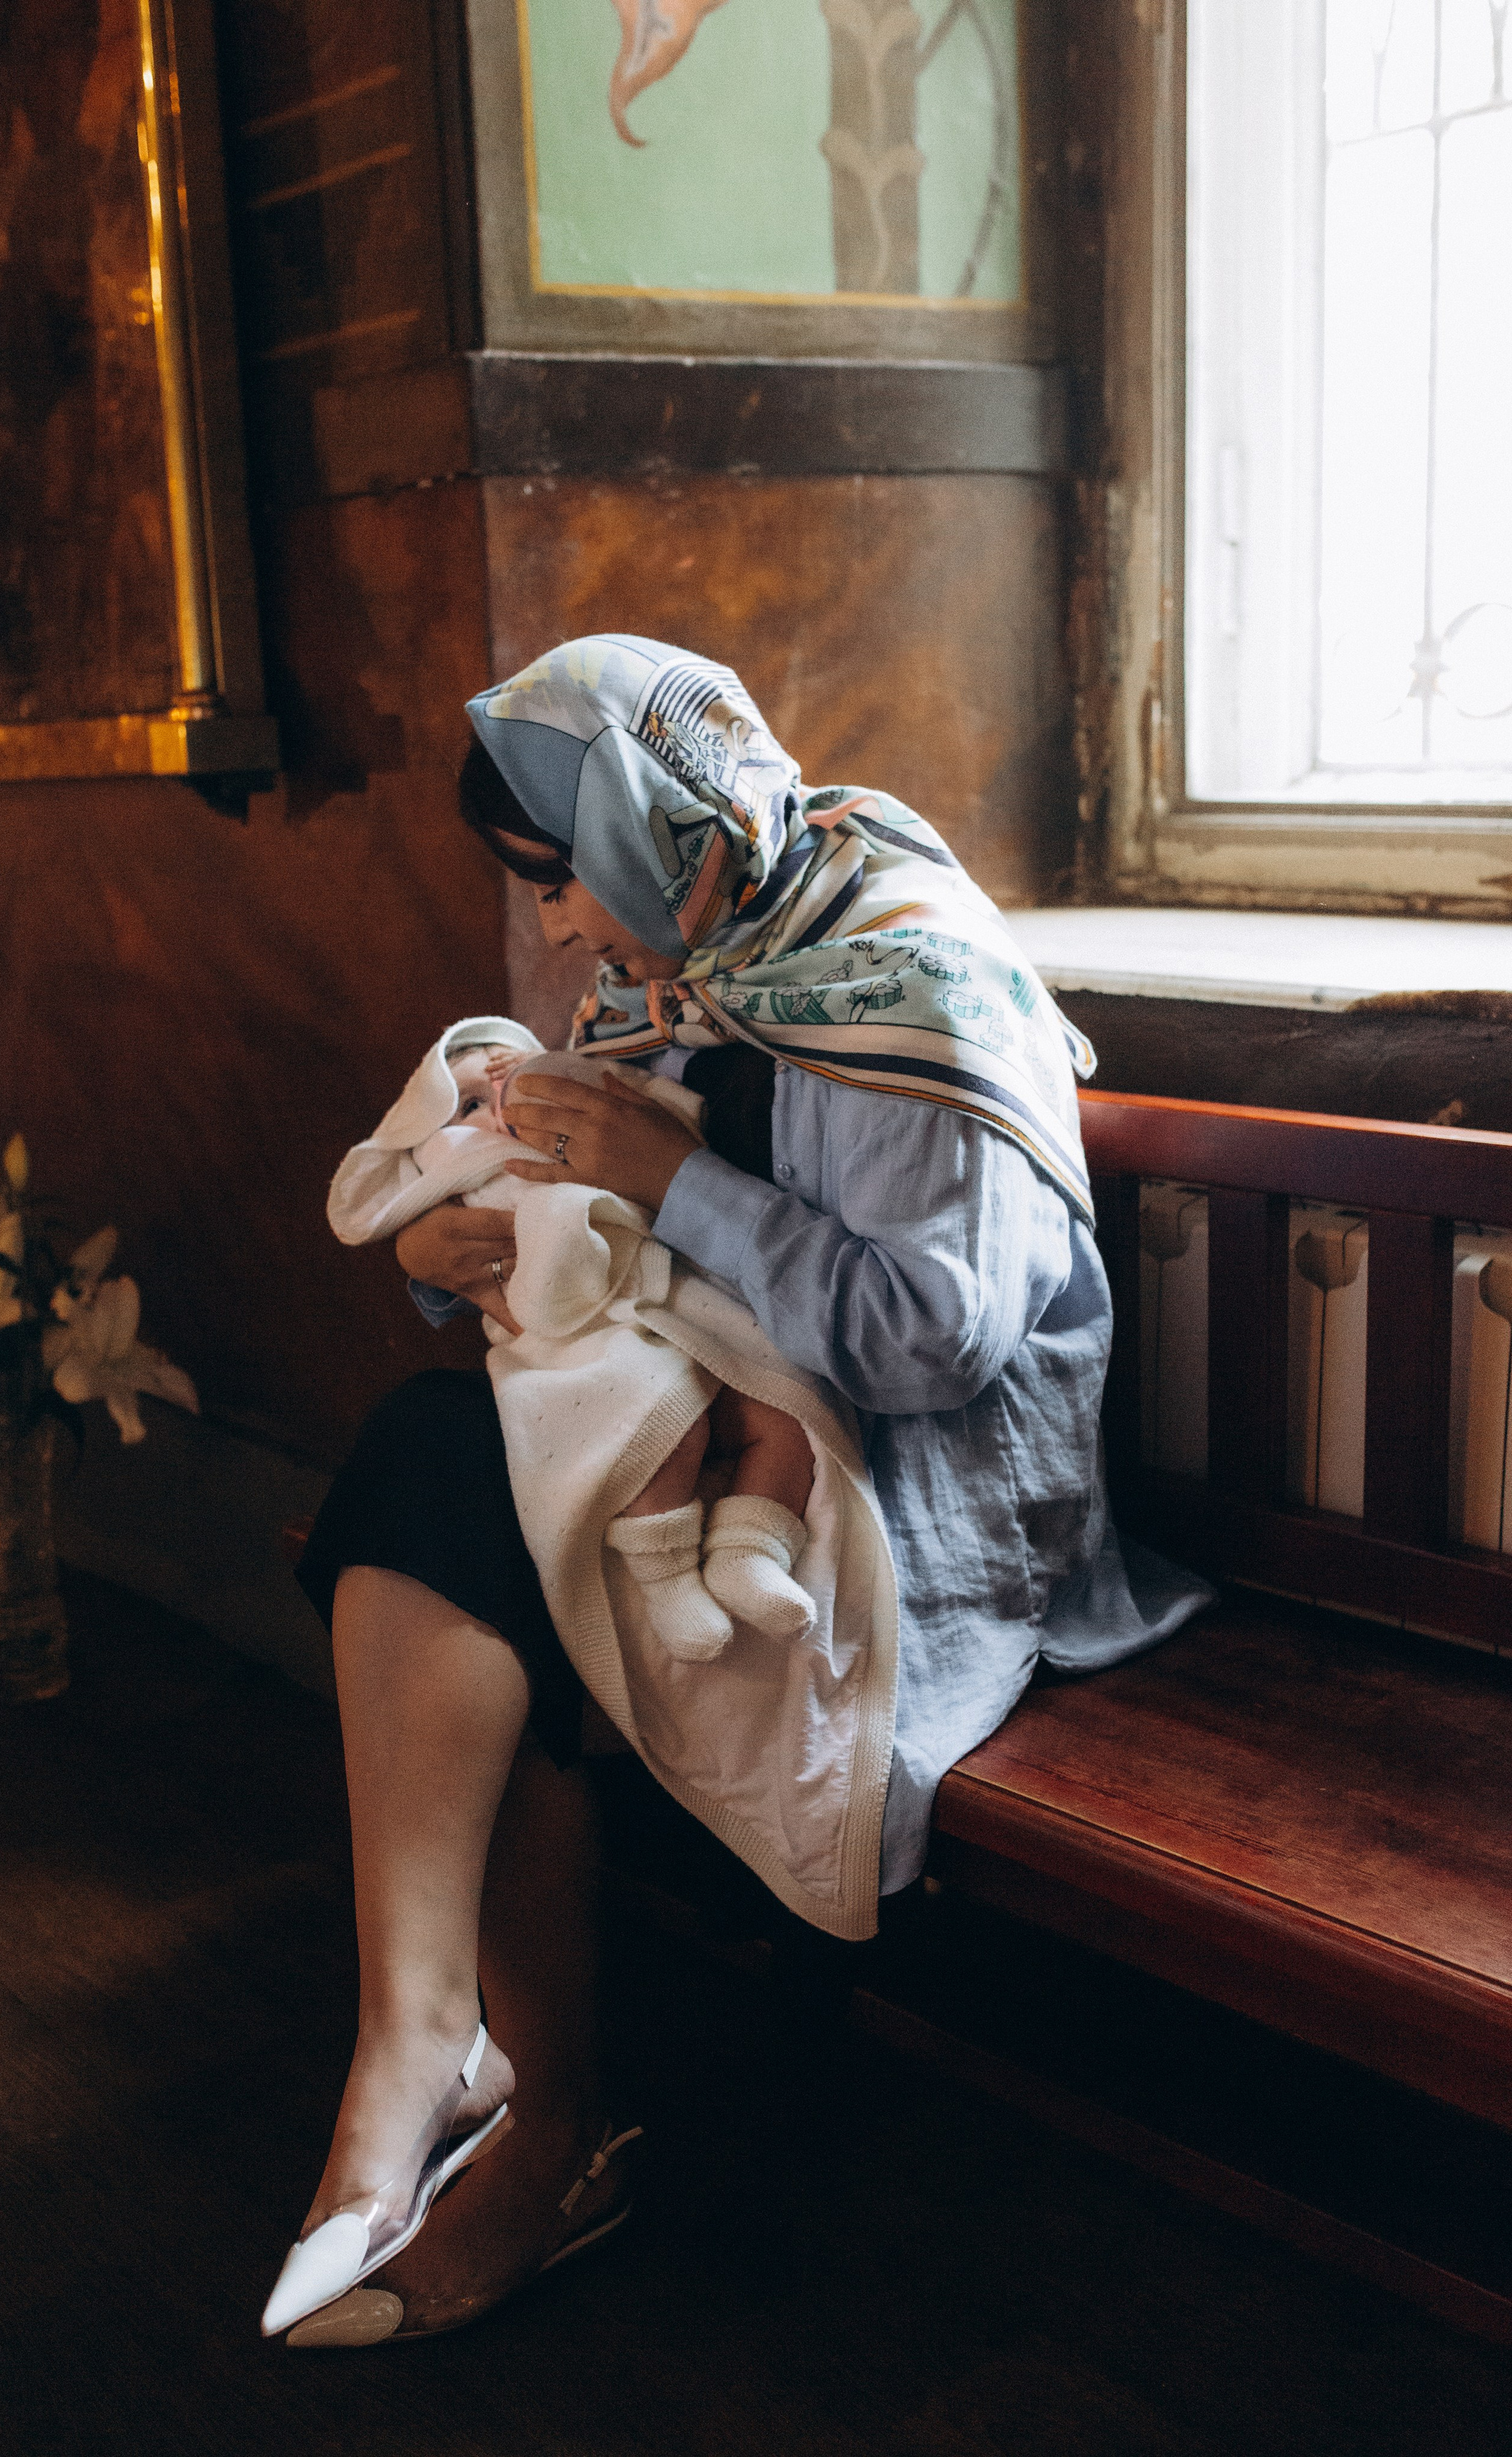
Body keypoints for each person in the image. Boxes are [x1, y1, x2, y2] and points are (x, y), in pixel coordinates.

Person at [271, 634, 1210, 2351]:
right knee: (449, 1461)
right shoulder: (710, 937)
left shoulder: (912, 969)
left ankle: (516, 2106)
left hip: (930, 1488)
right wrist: (450, 1246)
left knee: (478, 1533)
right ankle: (426, 2048)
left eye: (563, 880)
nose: (561, 932)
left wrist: (675, 1176)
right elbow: (590, 1218)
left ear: (664, 826)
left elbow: (941, 1345)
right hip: (723, 1419)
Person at [326, 1014, 826, 1661]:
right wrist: (421, 1249)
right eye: (470, 1102)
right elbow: (457, 1242)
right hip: (588, 1337)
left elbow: (658, 1126)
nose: (497, 1097)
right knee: (664, 1426)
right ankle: (667, 1576)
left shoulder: (583, 1103)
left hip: (679, 1297)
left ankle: (750, 1554)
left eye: (509, 1070)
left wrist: (554, 1085)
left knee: (784, 1418)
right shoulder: (467, 1160)